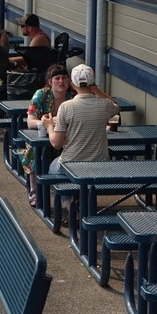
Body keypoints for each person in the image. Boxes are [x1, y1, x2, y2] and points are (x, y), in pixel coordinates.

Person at [41, 64, 120, 208]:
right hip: (100, 165)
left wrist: (49, 126)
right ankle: (78, 201)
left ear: (72, 85)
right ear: (93, 83)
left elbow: (56, 143)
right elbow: (115, 105)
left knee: (52, 167)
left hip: (72, 164)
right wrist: (96, 89)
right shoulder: (105, 105)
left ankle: (69, 206)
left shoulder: (66, 107)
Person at [23, 64, 76, 207]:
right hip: (42, 134)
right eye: (57, 78)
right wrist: (47, 123)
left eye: (64, 78)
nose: (61, 82)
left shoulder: (73, 96)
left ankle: (71, 190)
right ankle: (34, 189)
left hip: (66, 137)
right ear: (49, 81)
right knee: (34, 149)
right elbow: (30, 122)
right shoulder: (41, 95)